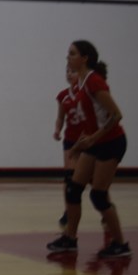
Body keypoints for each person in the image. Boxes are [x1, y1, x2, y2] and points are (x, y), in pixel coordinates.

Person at [47, 40, 130, 258]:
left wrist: (93, 139)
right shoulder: (80, 83)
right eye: (68, 54)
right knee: (73, 189)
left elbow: (116, 115)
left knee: (98, 196)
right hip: (95, 143)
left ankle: (121, 244)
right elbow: (90, 121)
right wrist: (77, 146)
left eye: (72, 54)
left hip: (111, 142)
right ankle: (70, 238)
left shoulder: (93, 81)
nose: (68, 58)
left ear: (85, 58)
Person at [53, 67, 82, 229]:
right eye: (68, 72)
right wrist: (57, 130)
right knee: (69, 177)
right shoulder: (63, 96)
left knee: (94, 179)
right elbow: (60, 117)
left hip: (87, 140)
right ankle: (68, 210)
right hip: (70, 140)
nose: (70, 74)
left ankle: (106, 209)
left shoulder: (86, 92)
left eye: (73, 71)